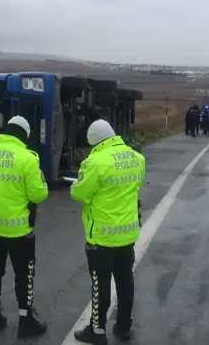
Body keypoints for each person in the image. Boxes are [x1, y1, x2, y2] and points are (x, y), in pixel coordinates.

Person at [70, 119, 146, 344]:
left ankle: (97, 329)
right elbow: (133, 188)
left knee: (100, 283)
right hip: (127, 234)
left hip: (101, 236)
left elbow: (80, 194)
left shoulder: (94, 162)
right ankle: (123, 326)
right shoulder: (136, 158)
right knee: (125, 280)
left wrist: (77, 184)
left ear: (94, 141)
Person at [0, 115, 49, 338]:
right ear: (24, 135)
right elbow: (39, 194)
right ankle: (26, 321)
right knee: (24, 273)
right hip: (19, 230)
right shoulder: (27, 158)